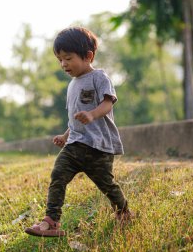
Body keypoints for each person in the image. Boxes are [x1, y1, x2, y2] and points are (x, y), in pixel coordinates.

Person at [25, 27, 132, 237]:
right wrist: (65, 136)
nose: (63, 64)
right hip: (75, 145)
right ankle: (52, 220)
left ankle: (124, 211)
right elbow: (75, 119)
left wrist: (92, 114)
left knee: (107, 185)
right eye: (60, 59)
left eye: (68, 58)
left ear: (88, 56)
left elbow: (108, 103)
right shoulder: (72, 85)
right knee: (58, 175)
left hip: (98, 148)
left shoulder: (99, 78)